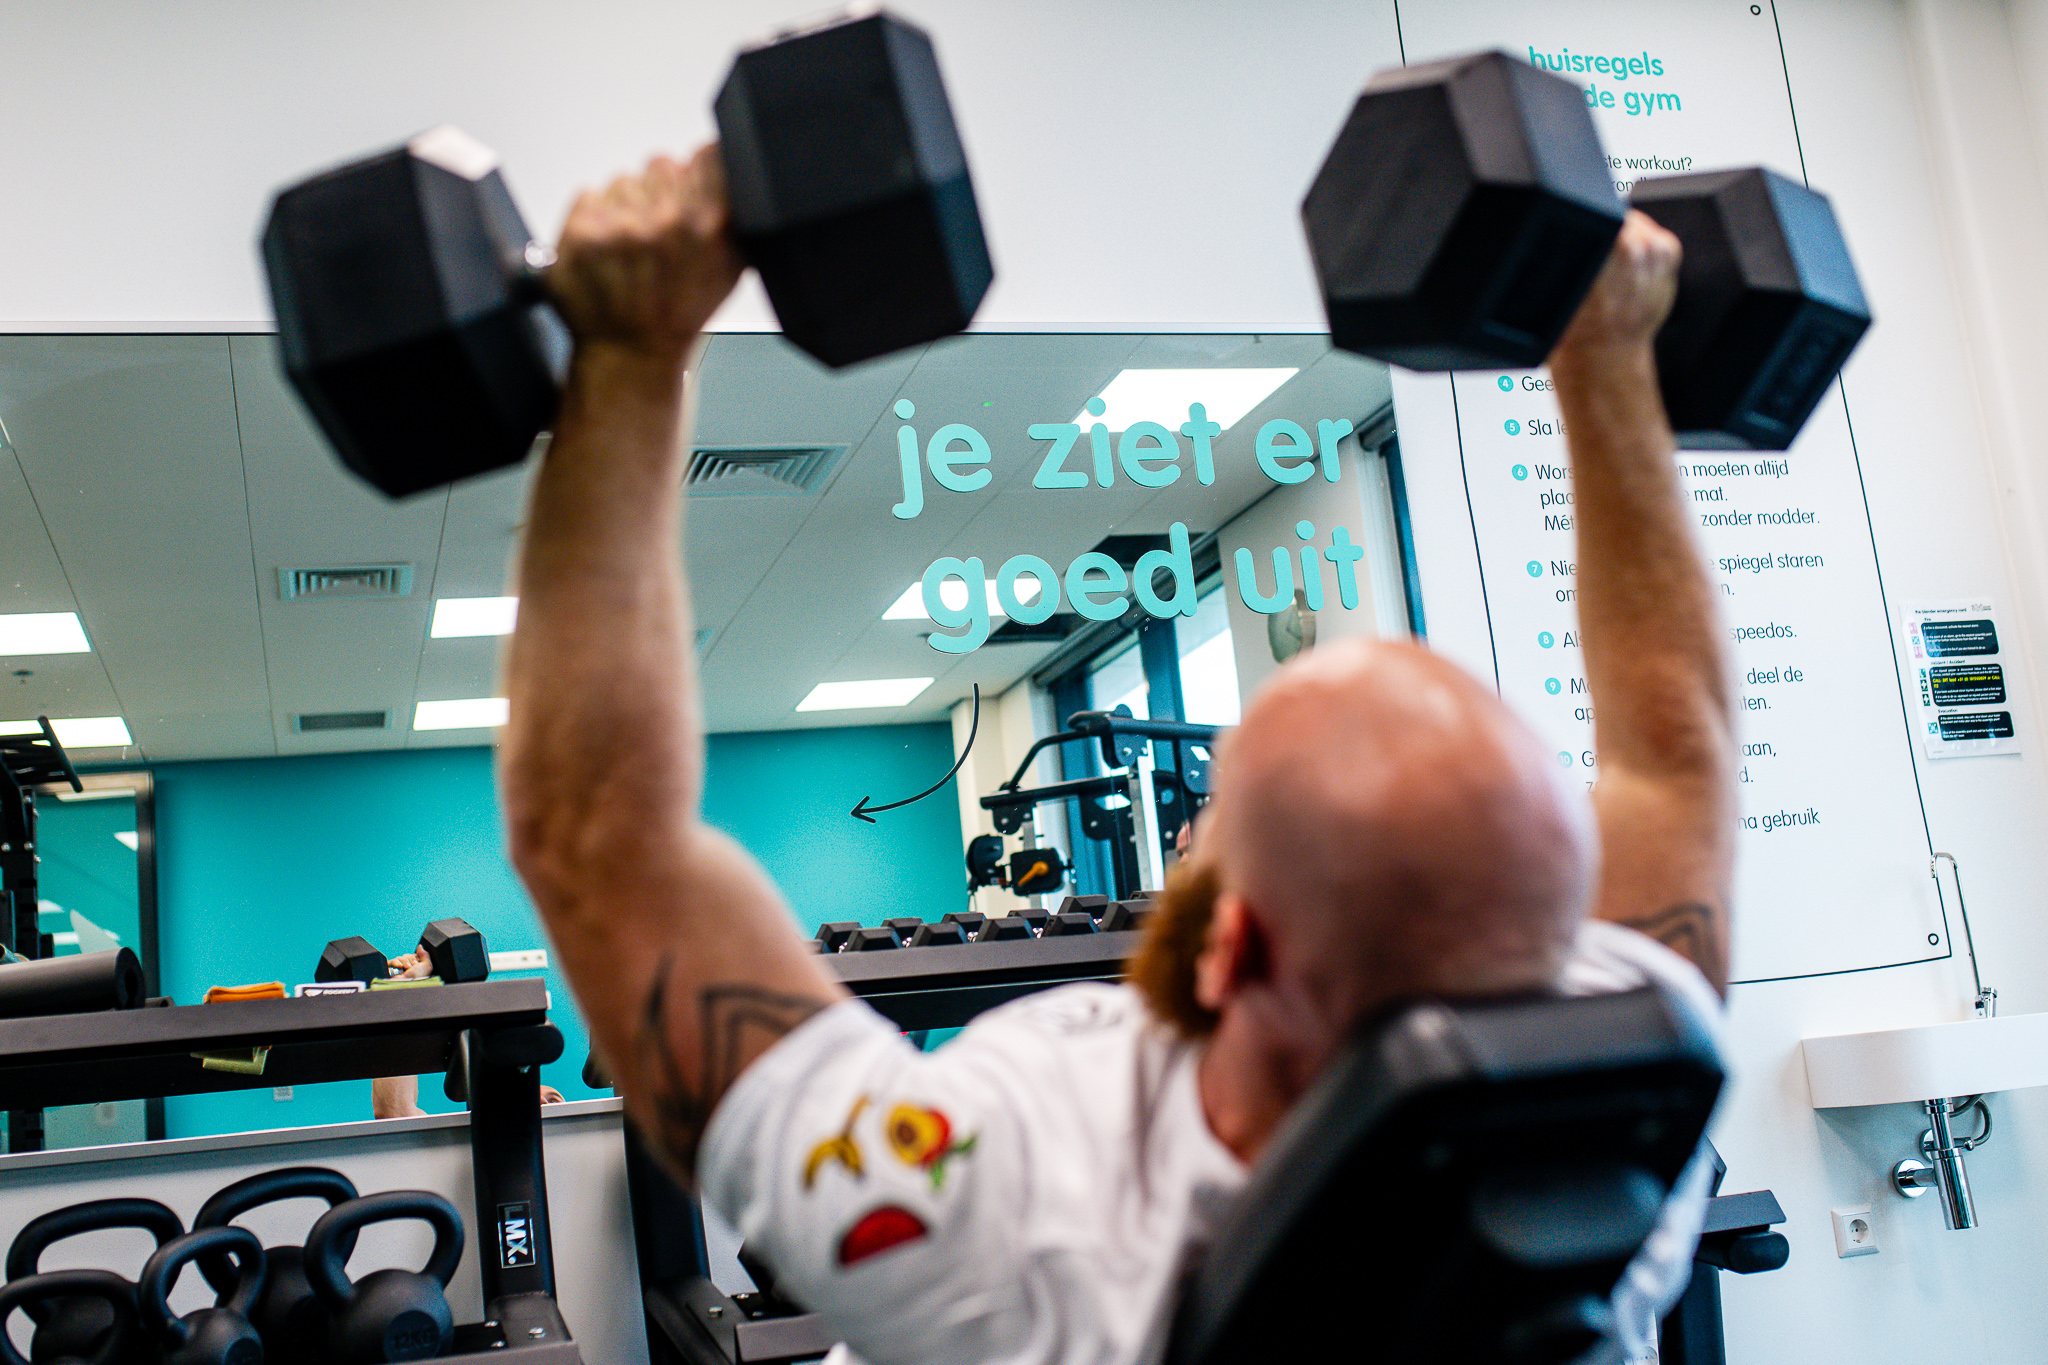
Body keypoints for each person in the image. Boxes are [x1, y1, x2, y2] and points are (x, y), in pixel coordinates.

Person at [498, 148, 1731, 1365]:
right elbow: (1676, 761)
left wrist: (631, 356)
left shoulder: (1012, 1227)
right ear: (1566, 935)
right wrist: (1608, 356)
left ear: (1228, 947)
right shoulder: (1632, 1141)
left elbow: (601, 835)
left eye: (1207, 825)